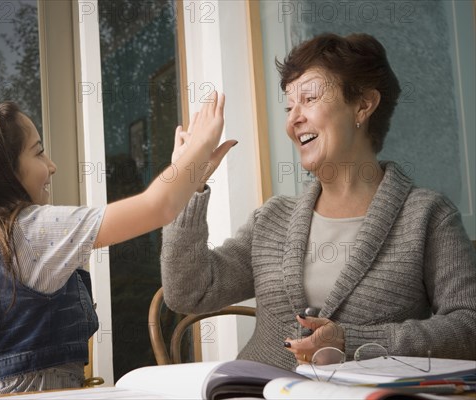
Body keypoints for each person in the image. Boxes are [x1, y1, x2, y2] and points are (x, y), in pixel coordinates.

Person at [161, 33, 476, 372]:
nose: (293, 119)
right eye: (288, 106)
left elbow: (469, 326)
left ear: (363, 105)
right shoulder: (273, 219)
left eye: (309, 98)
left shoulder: (427, 216)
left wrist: (350, 341)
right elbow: (187, 292)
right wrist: (188, 182)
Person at [0, 93, 236, 397]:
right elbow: (158, 207)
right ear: (0, 171)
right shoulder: (33, 231)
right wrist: (199, 147)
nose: (51, 165)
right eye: (38, 153)